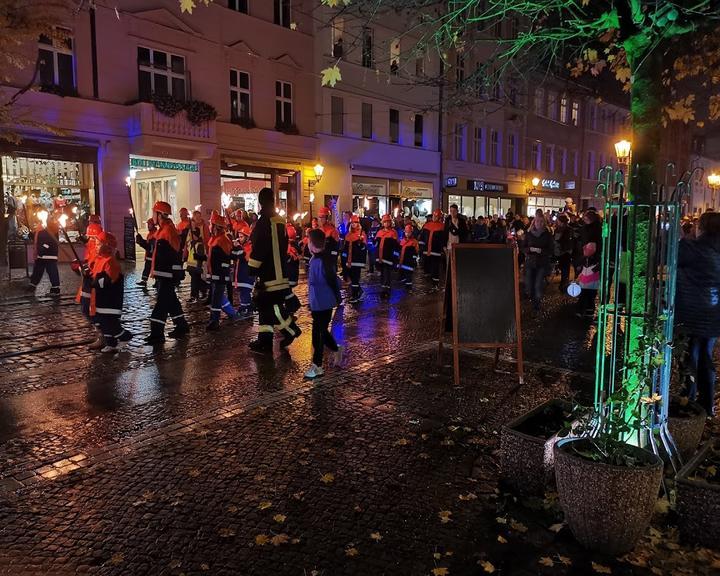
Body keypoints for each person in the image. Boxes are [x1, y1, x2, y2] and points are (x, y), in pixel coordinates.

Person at [675, 212, 720, 417]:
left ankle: (689, 403)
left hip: (690, 313)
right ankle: (708, 405)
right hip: (713, 315)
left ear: (701, 227)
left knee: (689, 358)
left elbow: (666, 254)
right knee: (706, 357)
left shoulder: (692, 248)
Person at [247, 187, 301, 353]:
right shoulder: (280, 221)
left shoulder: (264, 222)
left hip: (268, 274)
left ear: (260, 201)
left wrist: (252, 267)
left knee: (273, 308)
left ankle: (291, 330)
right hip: (279, 271)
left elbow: (260, 247)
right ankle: (264, 341)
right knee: (264, 308)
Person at [145, 201, 189, 344]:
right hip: (163, 274)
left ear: (159, 215)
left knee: (161, 304)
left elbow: (173, 254)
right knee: (171, 302)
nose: (153, 216)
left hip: (166, 274)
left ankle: (157, 333)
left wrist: (168, 273)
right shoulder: (164, 229)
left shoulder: (168, 231)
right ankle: (181, 325)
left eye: (154, 213)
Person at [304, 228, 342, 379]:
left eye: (308, 241)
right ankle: (336, 349)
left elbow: (330, 280)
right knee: (322, 332)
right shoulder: (318, 259)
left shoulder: (319, 261)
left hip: (323, 303)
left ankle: (317, 366)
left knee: (318, 334)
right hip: (319, 303)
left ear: (312, 244)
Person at [91, 232, 132, 353]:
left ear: (106, 246)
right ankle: (111, 343)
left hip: (110, 302)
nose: (96, 246)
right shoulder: (101, 260)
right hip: (101, 300)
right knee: (103, 323)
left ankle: (125, 336)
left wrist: (96, 281)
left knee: (111, 324)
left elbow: (109, 280)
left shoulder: (110, 262)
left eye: (99, 244)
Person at [73, 221, 104, 349]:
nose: (90, 240)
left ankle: (103, 335)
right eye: (89, 238)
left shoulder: (101, 248)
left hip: (93, 285)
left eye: (92, 238)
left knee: (91, 311)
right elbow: (89, 260)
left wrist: (86, 268)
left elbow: (98, 266)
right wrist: (81, 267)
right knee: (86, 309)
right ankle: (102, 334)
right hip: (87, 283)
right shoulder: (92, 246)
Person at [206, 211, 238, 331]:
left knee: (216, 298)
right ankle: (230, 314)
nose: (209, 226)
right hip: (216, 274)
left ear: (216, 227)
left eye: (211, 224)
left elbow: (228, 257)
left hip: (220, 275)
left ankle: (215, 321)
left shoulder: (222, 240)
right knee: (217, 297)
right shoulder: (215, 239)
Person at [523, 214, 553, 311]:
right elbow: (523, 247)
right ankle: (533, 297)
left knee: (538, 283)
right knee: (529, 283)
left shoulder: (547, 234)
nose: (539, 223)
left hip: (542, 262)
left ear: (544, 223)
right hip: (530, 262)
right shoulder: (529, 233)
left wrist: (541, 251)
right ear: (534, 222)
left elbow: (550, 249)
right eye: (537, 221)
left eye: (541, 222)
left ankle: (537, 302)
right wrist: (529, 249)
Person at [28, 214, 60, 297]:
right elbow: (39, 239)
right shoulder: (44, 231)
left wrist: (42, 249)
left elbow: (48, 242)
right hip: (42, 255)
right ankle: (33, 285)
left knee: (52, 272)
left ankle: (55, 289)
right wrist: (32, 235)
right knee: (37, 271)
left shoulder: (52, 231)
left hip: (49, 255)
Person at [342, 214, 367, 303]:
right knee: (352, 278)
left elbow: (364, 248)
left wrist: (361, 244)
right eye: (352, 223)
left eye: (355, 223)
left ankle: (355, 295)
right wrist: (344, 259)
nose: (353, 224)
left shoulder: (361, 233)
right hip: (349, 261)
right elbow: (345, 248)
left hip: (357, 260)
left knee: (355, 278)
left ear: (358, 224)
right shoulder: (348, 235)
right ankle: (359, 291)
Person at [231, 220, 254, 319]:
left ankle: (245, 309)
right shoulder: (243, 247)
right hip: (241, 274)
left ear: (247, 237)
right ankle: (247, 308)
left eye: (241, 237)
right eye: (239, 237)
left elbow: (241, 256)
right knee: (243, 292)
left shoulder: (249, 247)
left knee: (245, 292)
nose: (239, 239)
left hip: (247, 275)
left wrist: (237, 247)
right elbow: (234, 256)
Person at [376, 214, 399, 297]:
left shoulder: (393, 233)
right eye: (385, 222)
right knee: (382, 273)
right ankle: (383, 288)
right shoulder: (379, 232)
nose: (386, 224)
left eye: (388, 222)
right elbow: (377, 245)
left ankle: (387, 290)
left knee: (387, 273)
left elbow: (396, 246)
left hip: (388, 258)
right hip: (380, 257)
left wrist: (395, 258)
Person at [420, 209, 445, 289]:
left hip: (436, 251)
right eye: (434, 216)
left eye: (437, 216)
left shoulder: (442, 226)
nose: (435, 217)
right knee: (426, 266)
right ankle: (428, 281)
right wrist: (421, 248)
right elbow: (422, 237)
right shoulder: (427, 225)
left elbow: (443, 239)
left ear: (440, 217)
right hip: (426, 250)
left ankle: (435, 283)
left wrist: (442, 249)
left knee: (435, 267)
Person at [553, 213, 574, 292]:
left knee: (565, 269)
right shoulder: (558, 229)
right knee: (564, 269)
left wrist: (557, 242)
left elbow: (567, 241)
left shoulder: (567, 229)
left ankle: (564, 285)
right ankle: (563, 284)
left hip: (564, 252)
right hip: (561, 251)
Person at [135, 218, 157, 288]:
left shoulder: (155, 234)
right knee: (147, 268)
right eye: (148, 224)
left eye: (149, 224)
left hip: (153, 255)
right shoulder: (150, 234)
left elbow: (151, 246)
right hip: (149, 255)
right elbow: (147, 244)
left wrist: (142, 242)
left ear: (153, 225)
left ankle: (157, 281)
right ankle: (144, 280)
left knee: (155, 268)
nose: (148, 226)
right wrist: (141, 241)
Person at [398, 223, 420, 289]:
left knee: (409, 275)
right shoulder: (402, 241)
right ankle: (405, 286)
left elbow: (416, 252)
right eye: (406, 232)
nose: (407, 234)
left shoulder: (414, 242)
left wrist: (413, 260)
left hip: (409, 262)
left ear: (412, 233)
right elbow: (399, 251)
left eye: (409, 232)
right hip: (402, 262)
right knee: (403, 274)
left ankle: (409, 287)